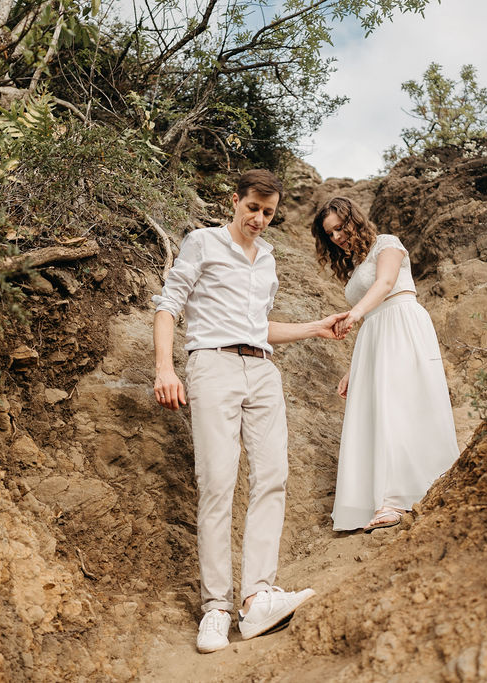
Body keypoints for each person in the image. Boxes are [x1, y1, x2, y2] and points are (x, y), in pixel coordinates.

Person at [153, 170, 346, 654]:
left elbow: (261, 327)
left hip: (262, 371)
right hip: (212, 366)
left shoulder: (269, 260)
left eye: (268, 213)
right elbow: (169, 305)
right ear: (235, 201)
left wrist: (314, 329)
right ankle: (215, 608)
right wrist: (164, 370)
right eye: (252, 209)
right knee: (217, 483)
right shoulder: (202, 242)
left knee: (273, 476)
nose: (259, 219)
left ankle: (258, 596)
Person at [311, 196, 460, 532]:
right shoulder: (352, 266)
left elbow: (386, 284)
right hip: (374, 336)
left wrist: (355, 313)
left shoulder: (387, 244)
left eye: (339, 228)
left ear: (354, 219)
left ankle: (397, 498)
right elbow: (369, 313)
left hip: (403, 323)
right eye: (329, 234)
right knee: (378, 412)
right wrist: (355, 367)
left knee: (402, 405)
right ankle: (379, 499)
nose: (335, 238)